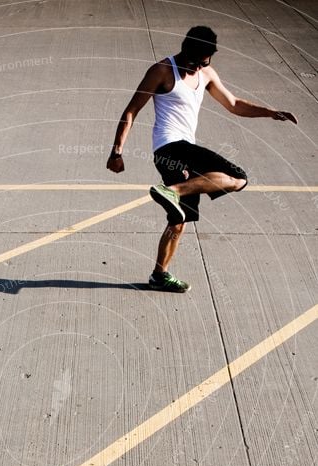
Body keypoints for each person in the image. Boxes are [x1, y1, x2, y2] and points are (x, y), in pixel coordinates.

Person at [107, 26, 297, 292]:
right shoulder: (162, 70)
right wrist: (117, 151)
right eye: (193, 63)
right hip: (169, 149)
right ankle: (171, 191)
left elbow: (233, 104)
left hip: (184, 151)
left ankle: (159, 275)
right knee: (239, 178)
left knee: (178, 220)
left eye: (203, 63)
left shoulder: (206, 73)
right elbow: (131, 110)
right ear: (185, 51)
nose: (196, 69)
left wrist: (270, 112)